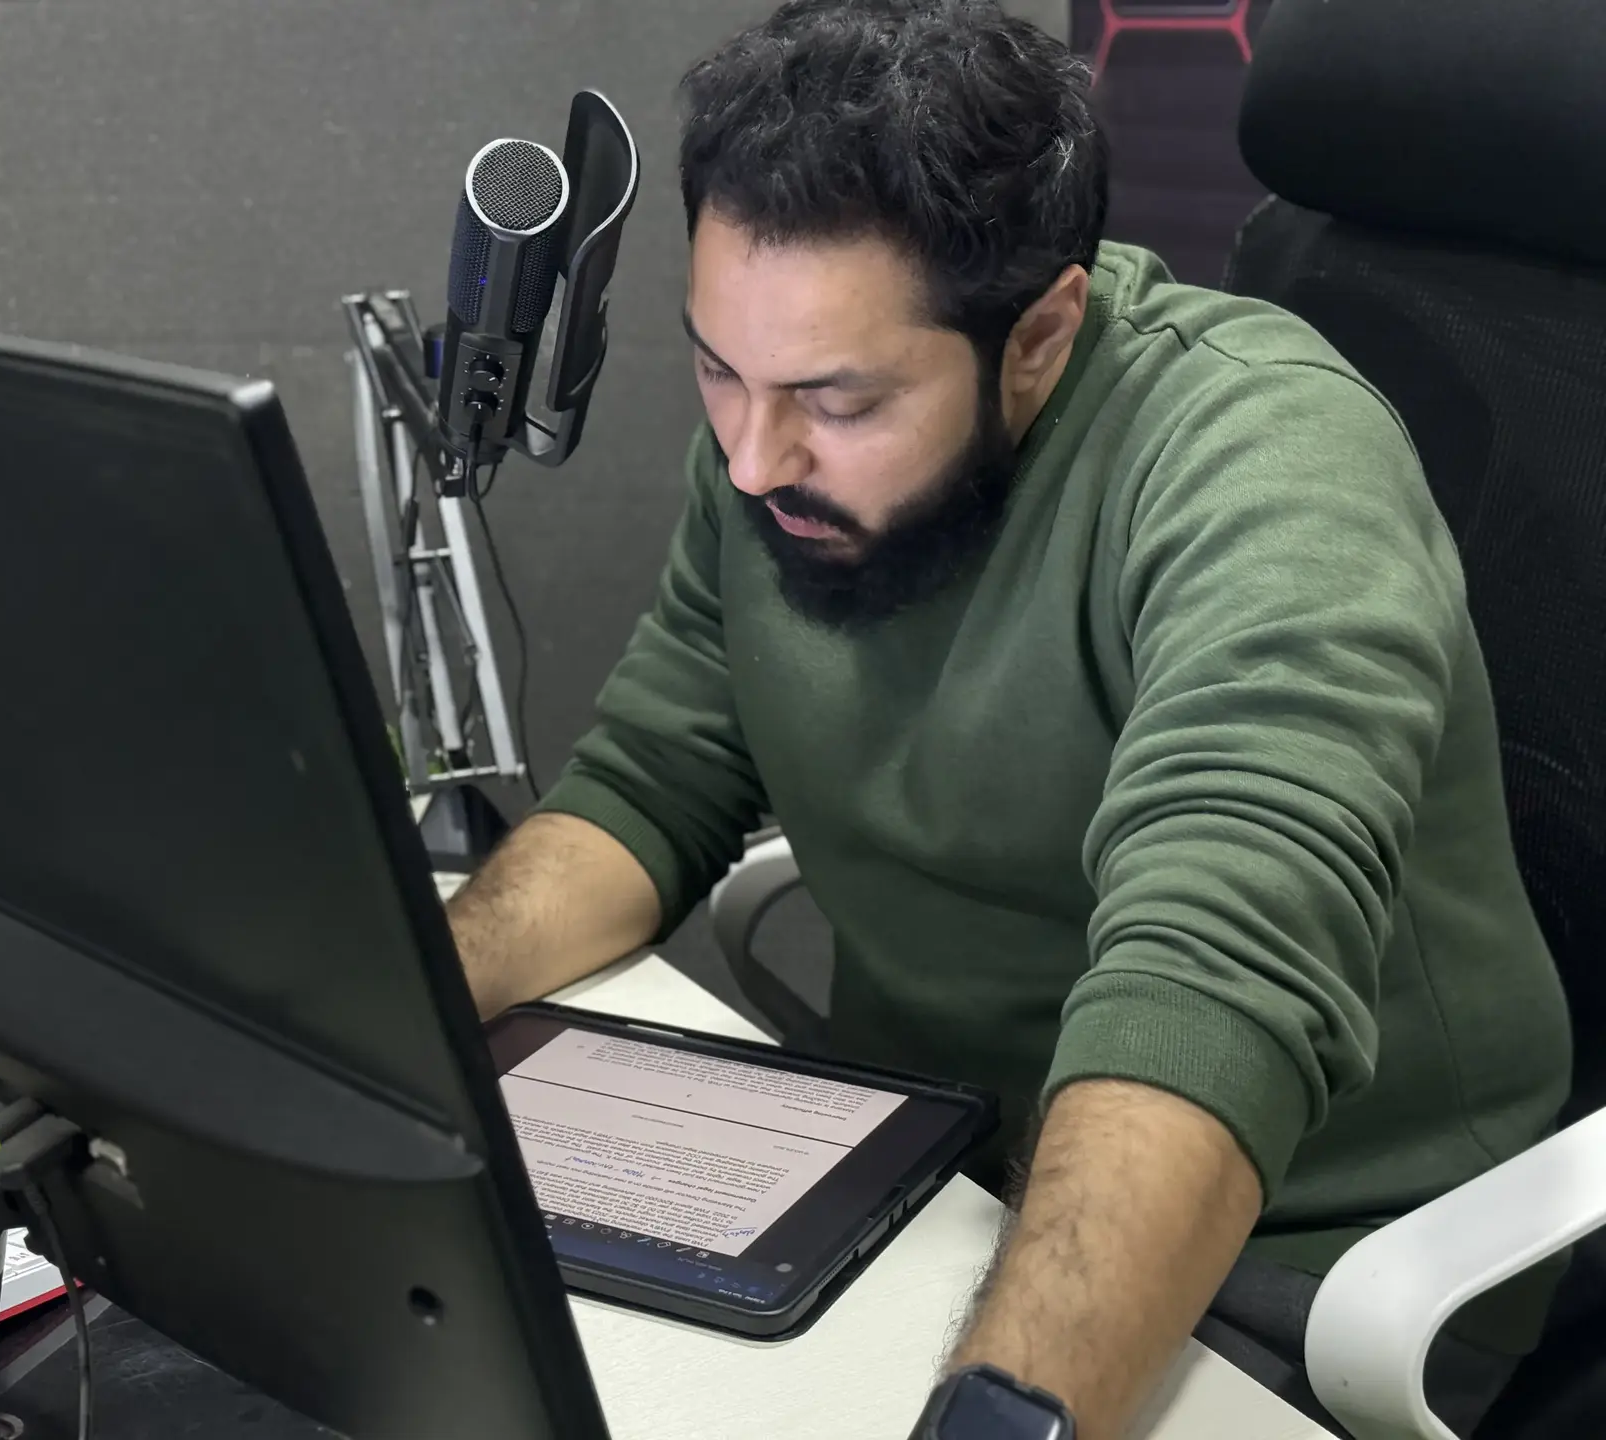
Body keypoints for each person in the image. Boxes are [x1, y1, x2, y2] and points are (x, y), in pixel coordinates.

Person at [447, 2, 1574, 1436]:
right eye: (718, 368)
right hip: (927, 1175)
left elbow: (1213, 981)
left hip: (1301, 1260)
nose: (749, 456)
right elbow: (653, 777)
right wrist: (399, 1007)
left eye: (836, 401)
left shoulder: (1269, 466)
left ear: (1039, 333)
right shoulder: (775, 440)